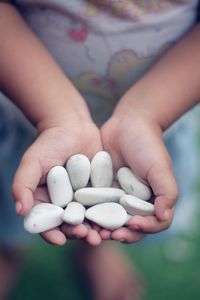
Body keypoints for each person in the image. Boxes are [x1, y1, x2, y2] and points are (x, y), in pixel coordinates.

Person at [0, 0, 199, 299]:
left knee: (109, 198)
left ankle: (94, 248)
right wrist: (56, 114)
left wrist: (146, 114)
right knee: (14, 197)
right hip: (24, 113)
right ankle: (7, 248)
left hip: (156, 121)